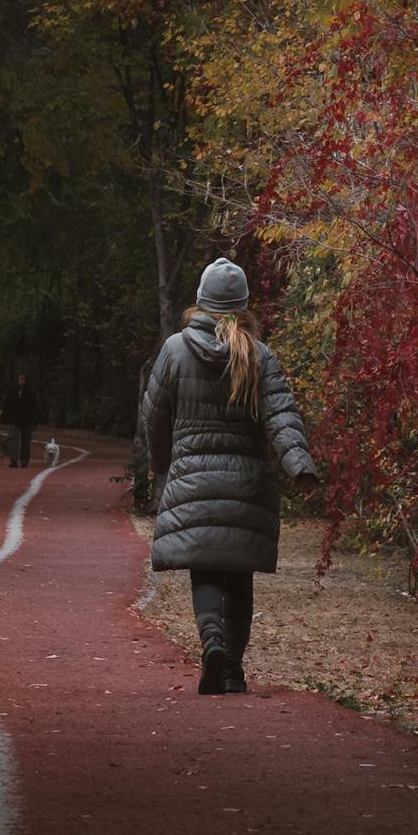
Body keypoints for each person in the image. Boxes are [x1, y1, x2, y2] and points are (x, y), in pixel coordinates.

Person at [141, 257, 319, 696]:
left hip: (193, 479)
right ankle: (234, 670)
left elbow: (154, 414)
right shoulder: (258, 356)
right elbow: (282, 416)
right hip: (247, 484)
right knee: (239, 576)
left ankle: (213, 645)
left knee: (204, 571)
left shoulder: (174, 349)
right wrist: (299, 465)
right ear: (242, 306)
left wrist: (161, 464)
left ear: (200, 302)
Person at [2, 370, 38, 468]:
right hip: (14, 419)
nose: (21, 381)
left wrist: (34, 421)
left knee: (26, 441)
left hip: (26, 420)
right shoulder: (12, 391)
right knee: (13, 440)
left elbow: (34, 407)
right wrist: (5, 418)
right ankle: (13, 460)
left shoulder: (30, 393)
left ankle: (24, 460)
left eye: (23, 379)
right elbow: (7, 405)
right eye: (20, 379)